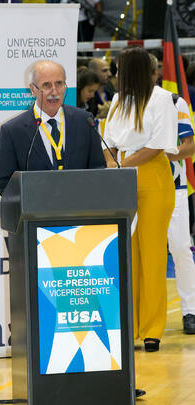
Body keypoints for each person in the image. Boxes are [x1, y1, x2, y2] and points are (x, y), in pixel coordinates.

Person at [104, 46, 178, 351]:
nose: (115, 75)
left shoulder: (161, 98)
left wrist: (121, 165)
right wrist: (112, 166)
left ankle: (152, 329)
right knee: (125, 255)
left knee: (151, 255)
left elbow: (159, 145)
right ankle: (129, 327)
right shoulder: (119, 100)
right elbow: (107, 141)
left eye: (120, 70)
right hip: (121, 175)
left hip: (151, 176)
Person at [0, 60, 105, 195]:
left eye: (59, 84)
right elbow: (3, 183)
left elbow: (99, 170)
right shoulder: (13, 131)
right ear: (33, 89)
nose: (54, 91)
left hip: (79, 212)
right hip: (35, 213)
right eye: (46, 85)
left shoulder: (85, 121)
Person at [150, 53, 195, 334]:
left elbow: (189, 146)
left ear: (156, 73)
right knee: (141, 254)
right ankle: (139, 314)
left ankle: (190, 310)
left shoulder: (175, 102)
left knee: (180, 249)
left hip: (174, 187)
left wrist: (159, 156)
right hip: (135, 187)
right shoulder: (123, 104)